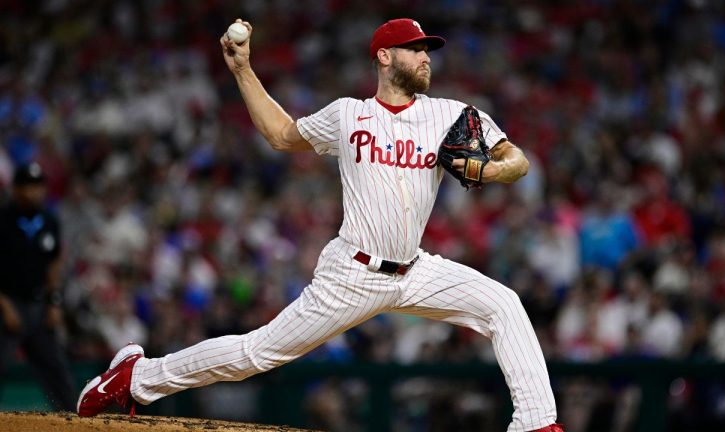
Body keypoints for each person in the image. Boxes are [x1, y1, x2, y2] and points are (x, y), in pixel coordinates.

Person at [77, 18, 563, 431]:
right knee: (258, 354)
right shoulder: (350, 115)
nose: (425, 57)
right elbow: (280, 135)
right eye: (415, 49)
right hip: (354, 273)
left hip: (415, 271)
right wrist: (244, 70)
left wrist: (495, 169)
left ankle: (537, 424)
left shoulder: (450, 114)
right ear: (384, 57)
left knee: (504, 304)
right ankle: (137, 378)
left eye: (427, 50)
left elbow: (514, 158)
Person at [0, 162, 76, 411]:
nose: (35, 192)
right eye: (29, 186)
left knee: (57, 370)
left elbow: (53, 264)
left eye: (38, 186)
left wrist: (54, 302)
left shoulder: (49, 221)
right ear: (17, 189)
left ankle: (74, 421)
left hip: (39, 306)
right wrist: (5, 306)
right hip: (8, 305)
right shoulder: (4, 220)